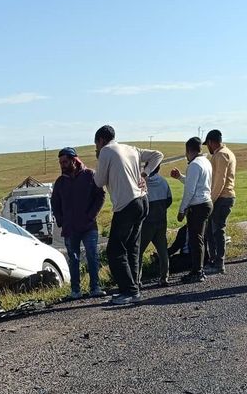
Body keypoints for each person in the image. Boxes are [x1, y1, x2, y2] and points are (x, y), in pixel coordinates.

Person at [93, 125, 164, 304]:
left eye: (96, 145)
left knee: (115, 250)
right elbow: (158, 155)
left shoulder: (106, 151)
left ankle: (128, 291)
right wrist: (144, 174)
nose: (97, 148)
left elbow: (99, 181)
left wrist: (99, 161)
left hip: (126, 205)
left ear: (101, 140)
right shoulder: (131, 149)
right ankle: (135, 287)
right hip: (143, 200)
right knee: (132, 247)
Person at [51, 147, 107, 299]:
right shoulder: (60, 182)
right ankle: (75, 291)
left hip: (89, 226)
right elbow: (54, 203)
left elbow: (101, 195)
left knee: (92, 255)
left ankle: (95, 288)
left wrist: (91, 215)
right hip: (70, 228)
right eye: (60, 162)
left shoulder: (90, 175)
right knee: (73, 259)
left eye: (65, 162)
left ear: (74, 160)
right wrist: (61, 220)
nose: (62, 165)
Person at [171, 137, 213, 283]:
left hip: (198, 206)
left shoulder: (194, 165)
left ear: (188, 150)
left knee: (196, 240)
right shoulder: (205, 162)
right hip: (206, 202)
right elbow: (196, 183)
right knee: (200, 238)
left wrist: (182, 210)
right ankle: (200, 268)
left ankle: (197, 272)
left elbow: (190, 190)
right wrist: (180, 177)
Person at [202, 130, 236, 274]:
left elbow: (219, 180)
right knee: (212, 231)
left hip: (221, 197)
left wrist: (211, 200)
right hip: (223, 197)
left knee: (217, 231)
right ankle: (214, 260)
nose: (207, 148)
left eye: (207, 144)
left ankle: (218, 263)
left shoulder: (221, 154)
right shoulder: (226, 152)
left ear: (211, 142)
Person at [138, 165, 172, 288]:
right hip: (161, 220)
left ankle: (137, 280)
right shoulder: (164, 181)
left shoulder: (142, 182)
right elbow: (169, 200)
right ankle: (164, 278)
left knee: (138, 251)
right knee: (163, 251)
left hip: (146, 222)